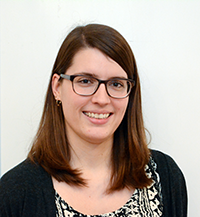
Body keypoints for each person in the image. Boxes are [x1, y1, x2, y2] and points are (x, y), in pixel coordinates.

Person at [0, 24, 187, 217]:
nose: (101, 99)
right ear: (57, 87)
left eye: (116, 84)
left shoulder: (165, 177)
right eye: (85, 81)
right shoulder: (14, 193)